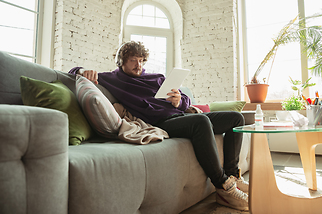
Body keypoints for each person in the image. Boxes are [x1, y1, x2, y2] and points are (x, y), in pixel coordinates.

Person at [69, 41, 249, 211]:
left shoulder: (157, 78)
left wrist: (180, 101)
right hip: (163, 122)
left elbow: (184, 100)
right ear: (121, 61)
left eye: (141, 61)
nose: (138, 65)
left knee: (236, 118)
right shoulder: (112, 79)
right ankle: (223, 186)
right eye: (133, 60)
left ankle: (233, 175)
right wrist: (83, 70)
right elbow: (72, 73)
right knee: (201, 122)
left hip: (180, 115)